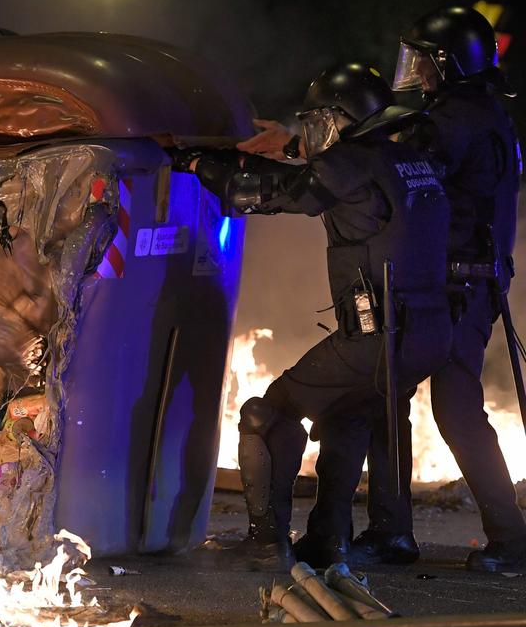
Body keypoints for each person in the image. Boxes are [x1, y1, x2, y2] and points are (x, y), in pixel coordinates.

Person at [173, 62, 453, 568]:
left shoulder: (351, 162)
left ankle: (265, 544)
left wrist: (200, 165)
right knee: (347, 415)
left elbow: (262, 194)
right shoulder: (409, 158)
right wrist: (279, 151)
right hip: (428, 332)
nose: (315, 132)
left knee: (268, 412)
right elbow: (319, 177)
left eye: (321, 120)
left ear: (343, 119)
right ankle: (328, 540)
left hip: (375, 335)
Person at [354, 5, 526, 572]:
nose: (419, 72)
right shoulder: (483, 112)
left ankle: (395, 533)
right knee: (448, 408)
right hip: (471, 284)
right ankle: (504, 535)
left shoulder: (453, 119)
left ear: (450, 63)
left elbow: (405, 174)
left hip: (451, 287)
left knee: (395, 397)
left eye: (426, 61)